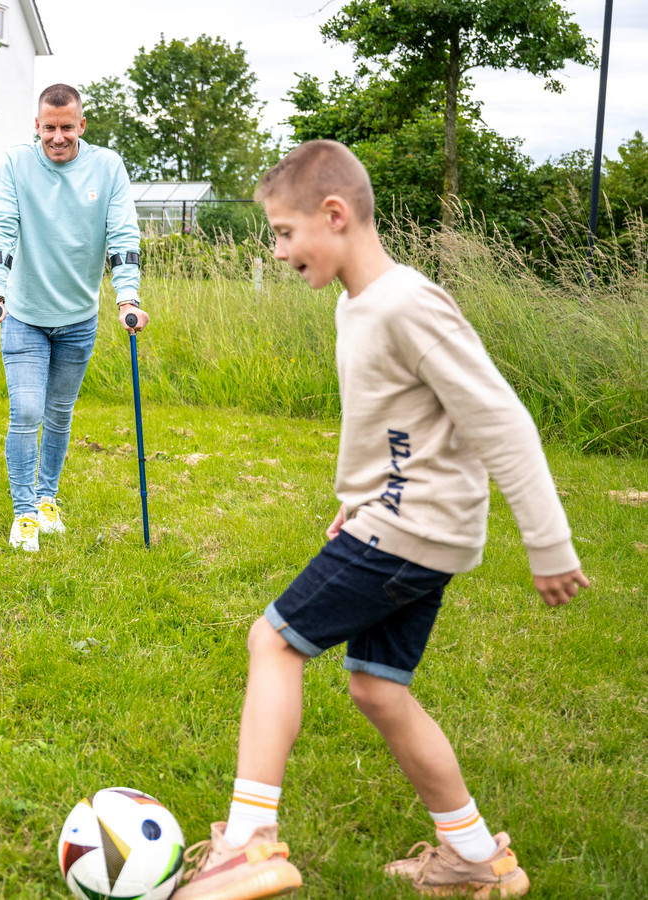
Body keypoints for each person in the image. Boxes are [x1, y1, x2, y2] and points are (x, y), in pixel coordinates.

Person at [174, 141, 589, 900]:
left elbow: (500, 421)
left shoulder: (407, 302)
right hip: (402, 523)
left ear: (335, 215)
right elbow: (396, 420)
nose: (278, 249)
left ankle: (247, 845)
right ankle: (473, 856)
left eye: (284, 231)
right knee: (377, 686)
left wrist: (549, 543)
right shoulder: (357, 303)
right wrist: (358, 496)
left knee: (272, 641)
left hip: (409, 530)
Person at [0, 83, 146, 553]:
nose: (57, 136)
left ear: (81, 125)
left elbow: (123, 234)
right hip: (25, 316)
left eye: (66, 127)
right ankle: (24, 512)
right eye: (49, 128)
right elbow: (2, 227)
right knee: (27, 410)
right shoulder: (16, 163)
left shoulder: (107, 166)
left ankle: (49, 499)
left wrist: (127, 299)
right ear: (37, 126)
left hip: (79, 317)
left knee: (58, 413)